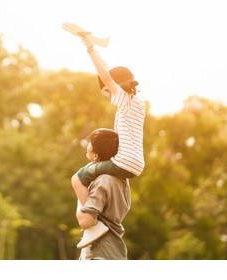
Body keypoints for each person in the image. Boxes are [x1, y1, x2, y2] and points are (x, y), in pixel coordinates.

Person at [71, 37, 146, 249]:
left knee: (77, 179)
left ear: (110, 89)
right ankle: (95, 216)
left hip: (122, 161)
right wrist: (94, 49)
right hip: (136, 164)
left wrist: (91, 53)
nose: (106, 94)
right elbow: (110, 71)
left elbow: (106, 76)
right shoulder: (138, 102)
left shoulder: (121, 98)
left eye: (106, 90)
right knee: (92, 177)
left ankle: (91, 223)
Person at [77, 174, 131, 260]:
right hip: (113, 250)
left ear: (95, 158)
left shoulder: (104, 180)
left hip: (100, 252)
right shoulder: (123, 179)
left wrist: (78, 187)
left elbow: (85, 222)